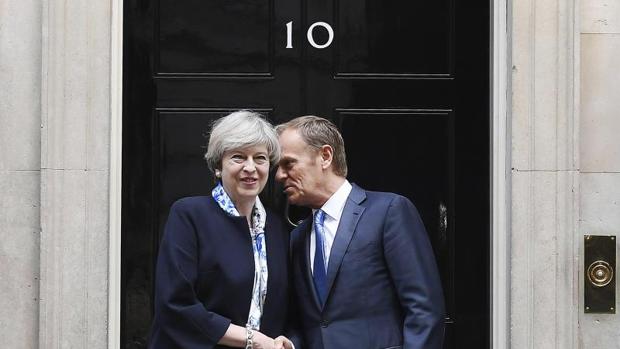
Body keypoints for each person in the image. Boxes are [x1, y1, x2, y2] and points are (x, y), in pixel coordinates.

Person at [275, 116, 445, 349]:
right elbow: (309, 323)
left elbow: (425, 310)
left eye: (288, 164)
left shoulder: (388, 212)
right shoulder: (297, 237)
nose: (279, 176)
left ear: (325, 156)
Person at [148, 111, 294, 349]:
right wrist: (252, 339)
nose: (250, 168)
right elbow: (175, 305)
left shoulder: (277, 229)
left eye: (260, 158)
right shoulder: (189, 215)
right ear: (218, 166)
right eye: (238, 157)